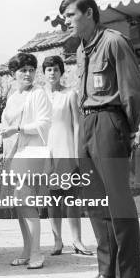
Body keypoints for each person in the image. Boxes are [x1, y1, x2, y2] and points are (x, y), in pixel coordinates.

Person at [60, 0, 140, 278]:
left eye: (71, 15)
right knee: (95, 201)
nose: (66, 21)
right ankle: (106, 272)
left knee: (118, 201)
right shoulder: (82, 51)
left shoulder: (113, 42)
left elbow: (132, 89)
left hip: (110, 121)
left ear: (90, 13)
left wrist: (128, 129)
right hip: (87, 123)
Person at [0, 53, 51, 270]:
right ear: (13, 74)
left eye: (31, 70)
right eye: (23, 70)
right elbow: (6, 129)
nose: (28, 74)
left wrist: (19, 128)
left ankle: (37, 253)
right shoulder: (12, 98)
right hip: (13, 155)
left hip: (31, 153)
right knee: (20, 206)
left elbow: (45, 123)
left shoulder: (39, 94)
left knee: (27, 204)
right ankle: (26, 250)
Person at [42, 55, 92, 256]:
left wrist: (77, 152)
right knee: (53, 199)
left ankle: (77, 241)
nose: (52, 73)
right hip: (47, 151)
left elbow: (77, 124)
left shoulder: (70, 94)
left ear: (61, 72)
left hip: (66, 149)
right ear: (43, 73)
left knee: (71, 197)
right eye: (48, 69)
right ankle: (57, 241)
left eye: (55, 69)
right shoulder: (39, 95)